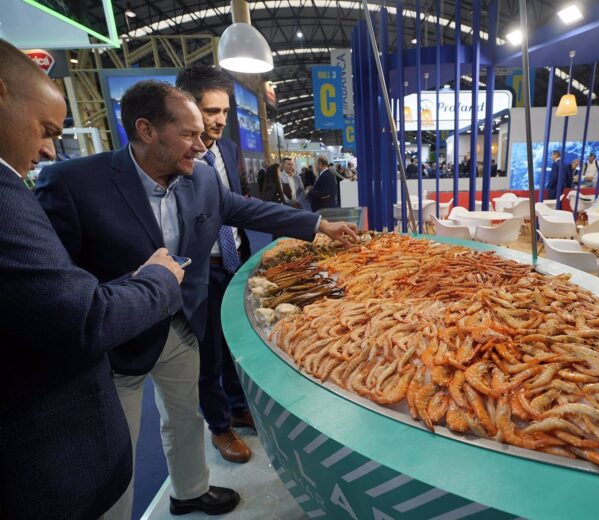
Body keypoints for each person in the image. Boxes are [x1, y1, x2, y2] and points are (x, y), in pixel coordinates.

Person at [36, 81, 357, 519]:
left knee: (185, 416)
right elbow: (57, 275)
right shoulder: (75, 183)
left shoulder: (200, 177)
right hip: (116, 344)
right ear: (147, 130)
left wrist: (318, 225)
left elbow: (248, 210)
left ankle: (189, 491)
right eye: (189, 134)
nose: (202, 146)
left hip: (183, 323)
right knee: (114, 449)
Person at [0, 39, 185, 520]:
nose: (48, 148)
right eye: (45, 129)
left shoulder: (197, 180)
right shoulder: (58, 184)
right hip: (51, 446)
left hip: (172, 332)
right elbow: (78, 311)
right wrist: (157, 278)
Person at [176, 65, 256, 465]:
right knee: (208, 354)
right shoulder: (177, 158)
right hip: (199, 269)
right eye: (211, 111)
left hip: (234, 260)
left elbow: (237, 206)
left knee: (235, 345)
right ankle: (219, 426)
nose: (220, 120)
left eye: (225, 111)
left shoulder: (228, 150)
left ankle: (239, 407)